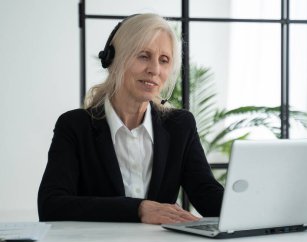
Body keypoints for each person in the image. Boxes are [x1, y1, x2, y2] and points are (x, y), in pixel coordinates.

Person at [38, 13, 224, 224]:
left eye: (164, 60)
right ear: (113, 59)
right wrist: (137, 209)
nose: (154, 69)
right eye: (143, 56)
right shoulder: (75, 126)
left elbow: (206, 194)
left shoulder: (180, 126)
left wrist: (256, 208)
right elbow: (51, 206)